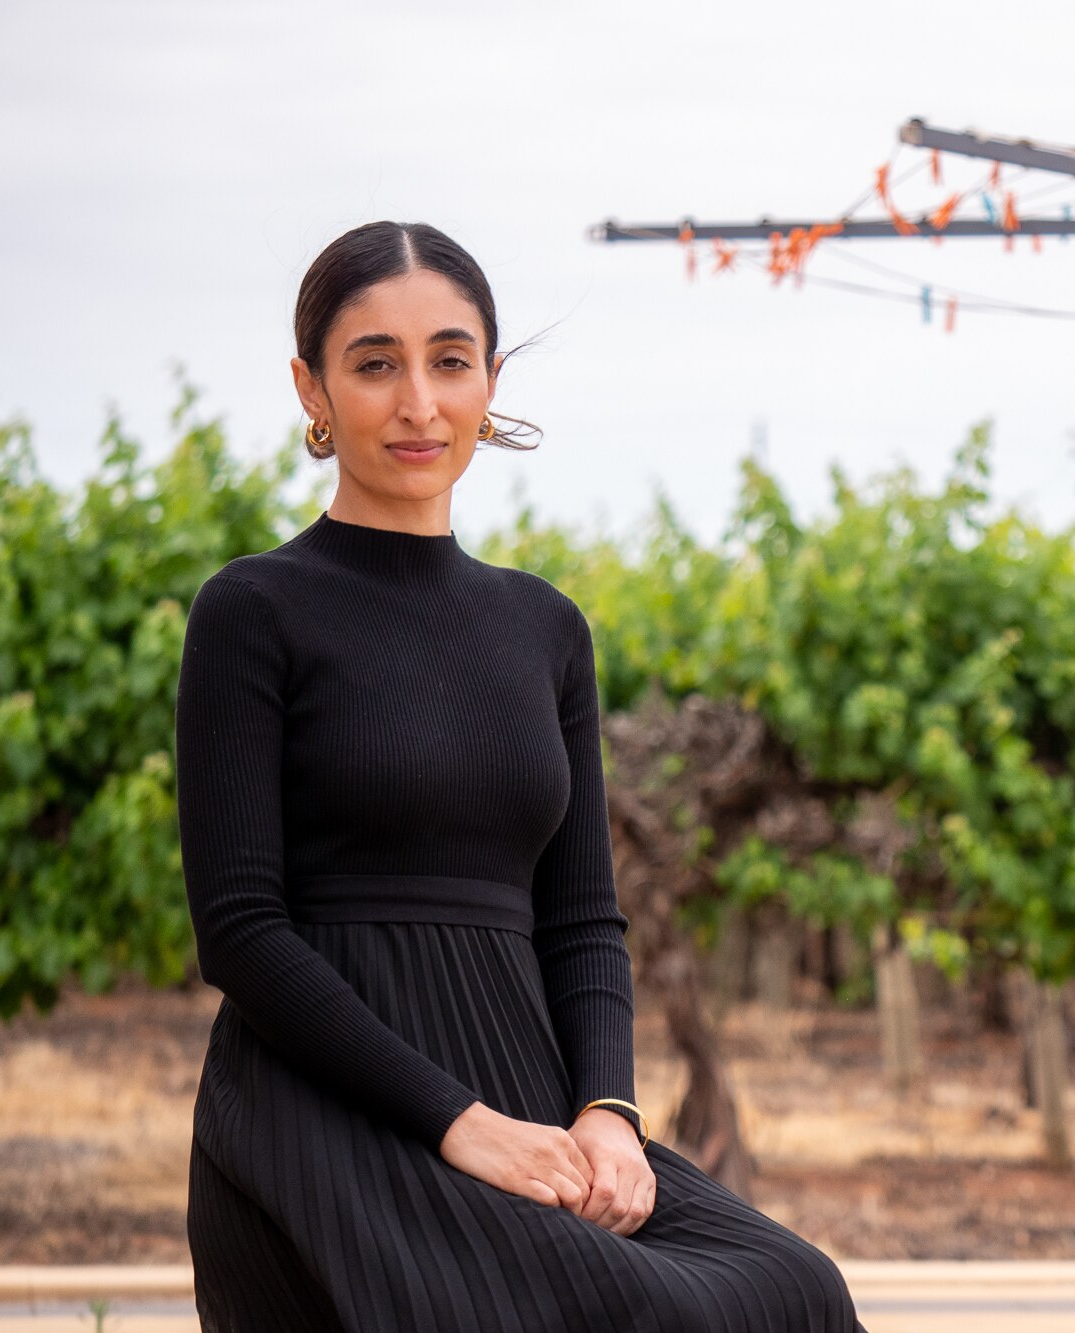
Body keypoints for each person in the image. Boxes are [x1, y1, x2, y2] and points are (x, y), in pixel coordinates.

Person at [176, 219, 867, 1332]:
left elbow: (585, 918)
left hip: (533, 1085)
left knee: (791, 1289)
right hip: (332, 1098)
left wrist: (607, 1113)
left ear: (489, 381)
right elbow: (241, 930)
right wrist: (460, 1122)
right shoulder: (253, 611)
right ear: (310, 388)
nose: (418, 403)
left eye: (449, 360)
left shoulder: (543, 627)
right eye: (373, 364)